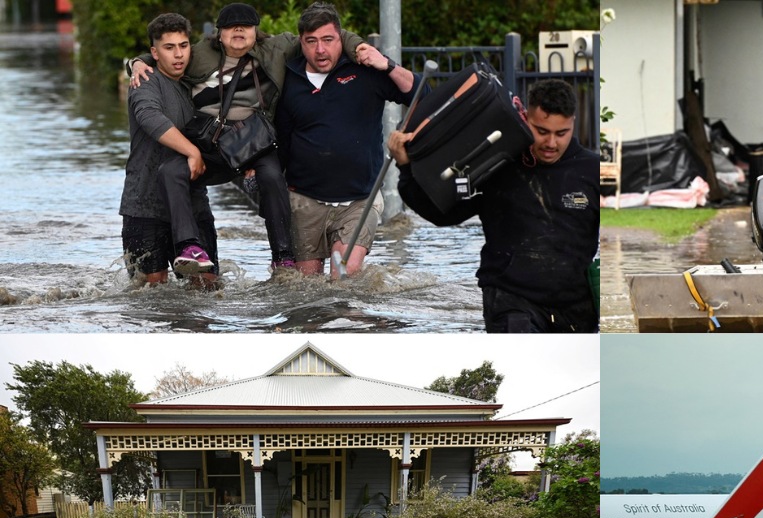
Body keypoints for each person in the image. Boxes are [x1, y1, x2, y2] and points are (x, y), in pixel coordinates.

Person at [129, 2, 374, 275]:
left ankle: (282, 255)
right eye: (232, 28)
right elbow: (166, 52)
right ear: (219, 34)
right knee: (170, 169)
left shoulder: (276, 48)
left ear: (256, 32)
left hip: (254, 140)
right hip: (210, 141)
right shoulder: (197, 53)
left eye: (245, 27)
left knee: (271, 176)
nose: (239, 32)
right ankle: (189, 246)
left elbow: (327, 34)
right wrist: (137, 62)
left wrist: (360, 47)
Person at [387, 79, 600, 333]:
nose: (551, 143)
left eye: (561, 133)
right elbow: (442, 213)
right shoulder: (497, 162)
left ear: (573, 122)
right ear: (526, 117)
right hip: (510, 300)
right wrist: (406, 170)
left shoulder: (593, 171)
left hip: (575, 308)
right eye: (541, 131)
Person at [274, 2, 418, 278]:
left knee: (344, 277)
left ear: (341, 38)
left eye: (328, 40)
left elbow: (418, 92)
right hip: (305, 201)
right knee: (306, 291)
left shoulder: (365, 71)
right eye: (311, 41)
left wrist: (387, 65)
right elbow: (283, 140)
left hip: (359, 200)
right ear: (301, 43)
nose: (320, 50)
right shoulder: (288, 78)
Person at [119, 12, 218, 288]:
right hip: (145, 205)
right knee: (151, 293)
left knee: (208, 286)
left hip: (193, 201)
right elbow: (150, 117)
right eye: (169, 47)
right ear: (155, 52)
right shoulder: (145, 81)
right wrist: (192, 152)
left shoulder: (195, 81)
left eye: (183, 46)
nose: (178, 55)